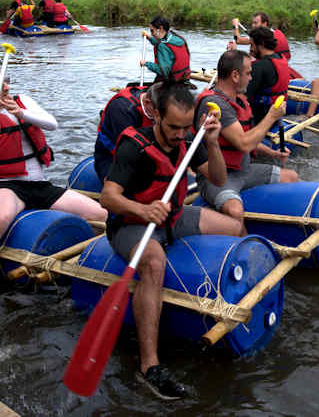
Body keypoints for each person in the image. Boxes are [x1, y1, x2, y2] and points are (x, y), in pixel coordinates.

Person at [100, 83, 241, 399]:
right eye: (173, 127)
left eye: (184, 127)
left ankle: (230, 294)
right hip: (132, 224)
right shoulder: (133, 146)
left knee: (234, 227)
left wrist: (213, 144)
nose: (179, 134)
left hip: (173, 218)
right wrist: (143, 209)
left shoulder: (191, 138)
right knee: (154, 262)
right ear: (157, 117)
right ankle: (149, 366)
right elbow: (107, 198)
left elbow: (218, 179)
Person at [0, 64, 107, 297]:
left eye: (7, 81)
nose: (7, 87)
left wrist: (21, 113)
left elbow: (52, 123)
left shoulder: (23, 102)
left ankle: (91, 265)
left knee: (102, 215)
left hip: (41, 186)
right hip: (8, 187)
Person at [194, 50, 298, 233]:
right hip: (219, 178)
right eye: (248, 73)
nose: (251, 78)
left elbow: (246, 138)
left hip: (245, 170)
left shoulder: (240, 100)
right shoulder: (215, 105)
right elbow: (243, 144)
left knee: (291, 177)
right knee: (235, 211)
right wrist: (271, 116)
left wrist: (272, 153)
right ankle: (245, 248)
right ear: (235, 75)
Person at [94, 83, 158, 183]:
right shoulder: (123, 110)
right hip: (110, 157)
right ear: (147, 102)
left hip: (145, 150)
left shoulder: (158, 97)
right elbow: (127, 154)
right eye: (160, 112)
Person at [244, 27, 290, 125]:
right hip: (277, 114)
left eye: (252, 45)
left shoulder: (259, 66)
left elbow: (245, 96)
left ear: (261, 44)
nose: (250, 49)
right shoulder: (281, 58)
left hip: (260, 118)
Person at [141, 16, 191, 83]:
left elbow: (164, 71)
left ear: (160, 28)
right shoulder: (176, 38)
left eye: (152, 31)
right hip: (184, 80)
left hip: (172, 83)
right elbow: (161, 42)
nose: (151, 34)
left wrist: (146, 64)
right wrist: (149, 38)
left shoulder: (162, 46)